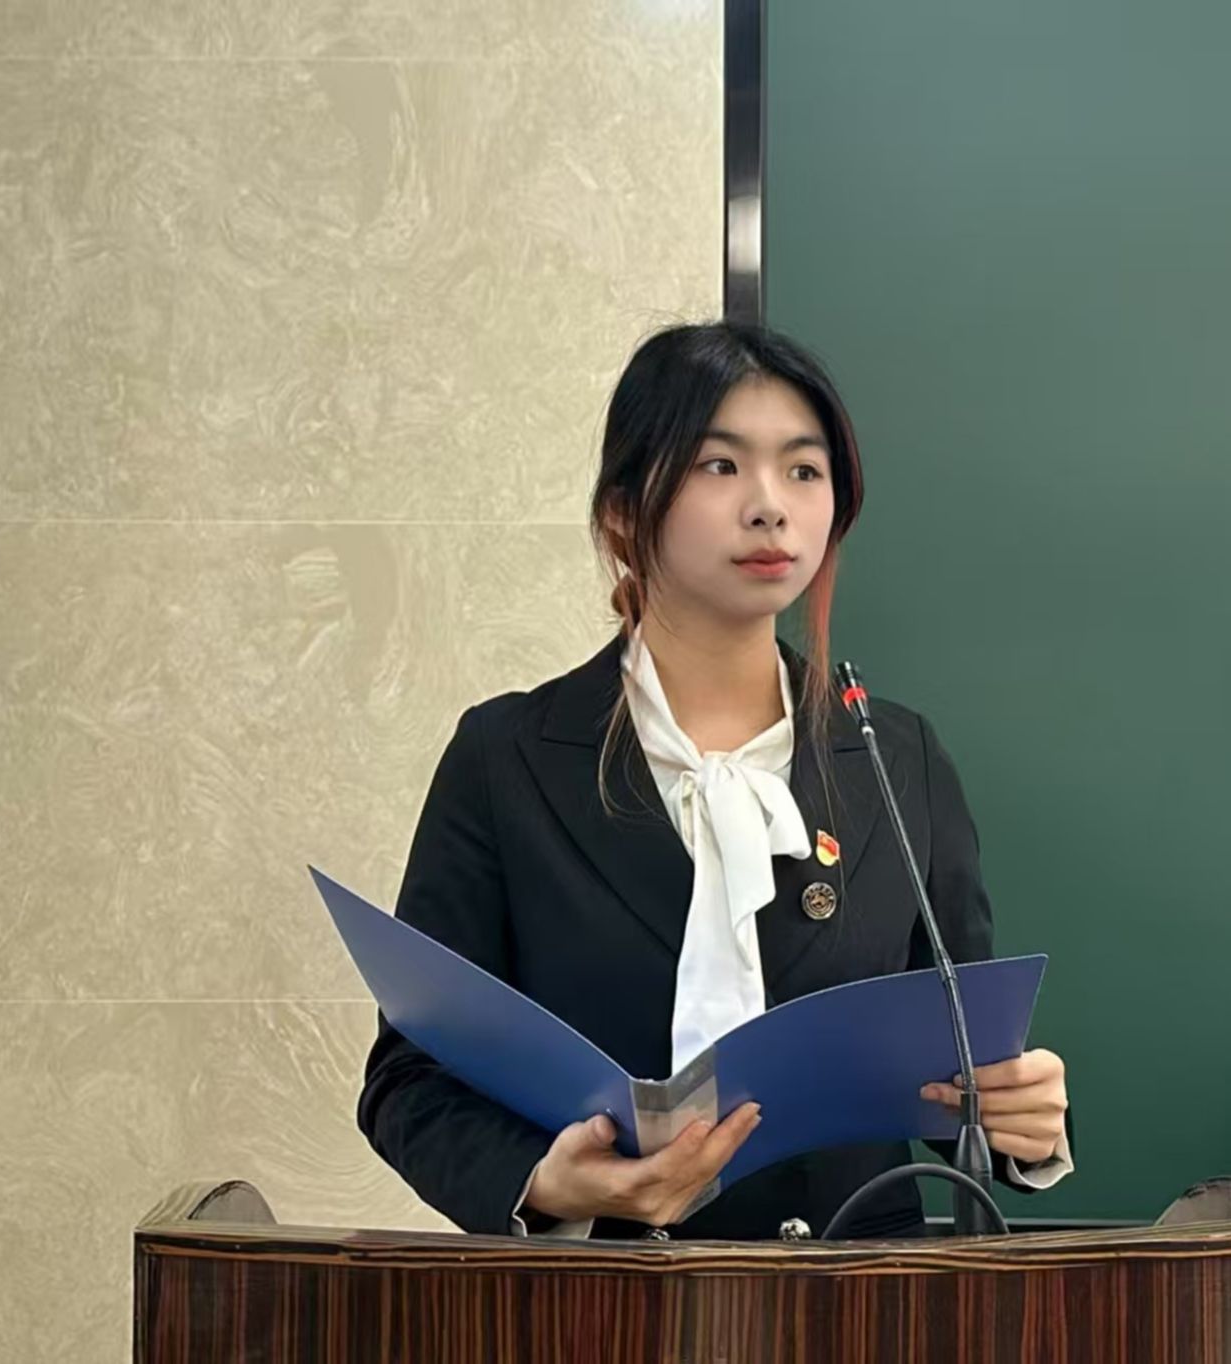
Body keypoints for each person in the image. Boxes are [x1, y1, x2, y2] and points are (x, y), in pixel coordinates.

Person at [359, 322, 1072, 1240]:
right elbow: (408, 1081)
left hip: (863, 1295)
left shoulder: (897, 759)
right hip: (597, 1297)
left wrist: (1024, 1125)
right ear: (624, 512)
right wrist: (547, 1183)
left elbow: (965, 1062)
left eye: (803, 470)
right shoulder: (507, 757)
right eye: (720, 466)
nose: (770, 506)